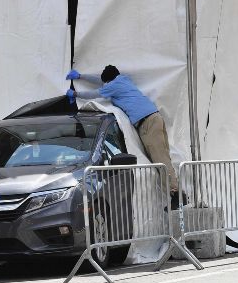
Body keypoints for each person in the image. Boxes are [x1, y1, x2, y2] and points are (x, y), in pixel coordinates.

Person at [66, 65, 179, 207]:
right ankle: (177, 193)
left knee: (160, 159)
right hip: (154, 118)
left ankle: (176, 195)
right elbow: (100, 80)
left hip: (147, 123)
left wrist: (75, 94)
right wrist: (80, 76)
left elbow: (96, 93)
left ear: (109, 81)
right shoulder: (123, 80)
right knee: (163, 157)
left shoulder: (113, 86)